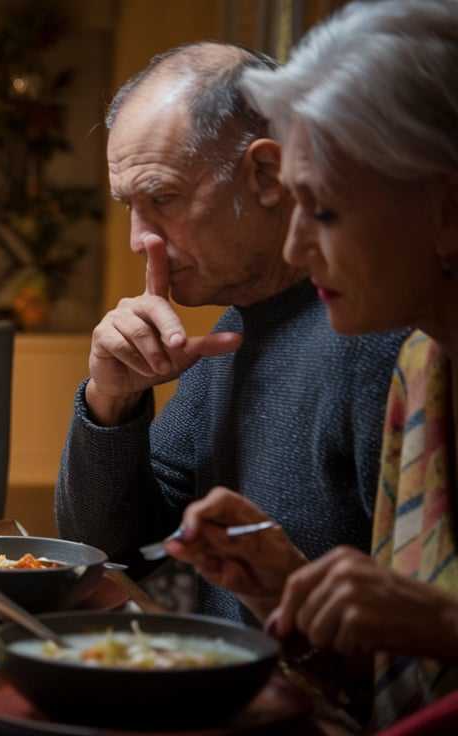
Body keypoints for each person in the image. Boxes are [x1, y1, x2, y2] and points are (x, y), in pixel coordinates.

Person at [165, 0, 458, 727]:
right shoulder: (421, 367)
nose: (295, 247)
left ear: (448, 210)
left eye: (323, 210)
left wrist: (443, 623)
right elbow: (398, 689)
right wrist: (291, 597)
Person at [54, 41, 408, 623]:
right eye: (129, 207)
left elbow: (416, 641)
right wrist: (111, 402)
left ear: (266, 175)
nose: (140, 240)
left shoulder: (379, 338)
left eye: (162, 198)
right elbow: (113, 551)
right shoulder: (238, 326)